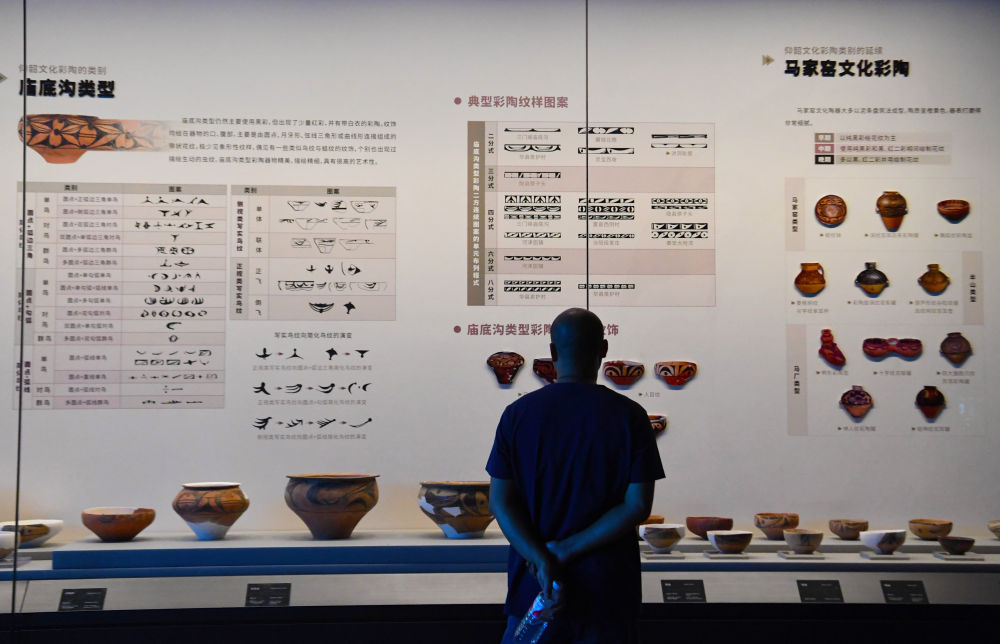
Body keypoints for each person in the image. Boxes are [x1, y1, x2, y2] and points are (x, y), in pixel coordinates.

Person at [486, 308, 665, 643]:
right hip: (608, 594)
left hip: (536, 591)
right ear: (603, 349)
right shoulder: (630, 416)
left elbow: (500, 502)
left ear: (552, 353)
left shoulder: (517, 415)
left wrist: (541, 558)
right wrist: (564, 549)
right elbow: (638, 506)